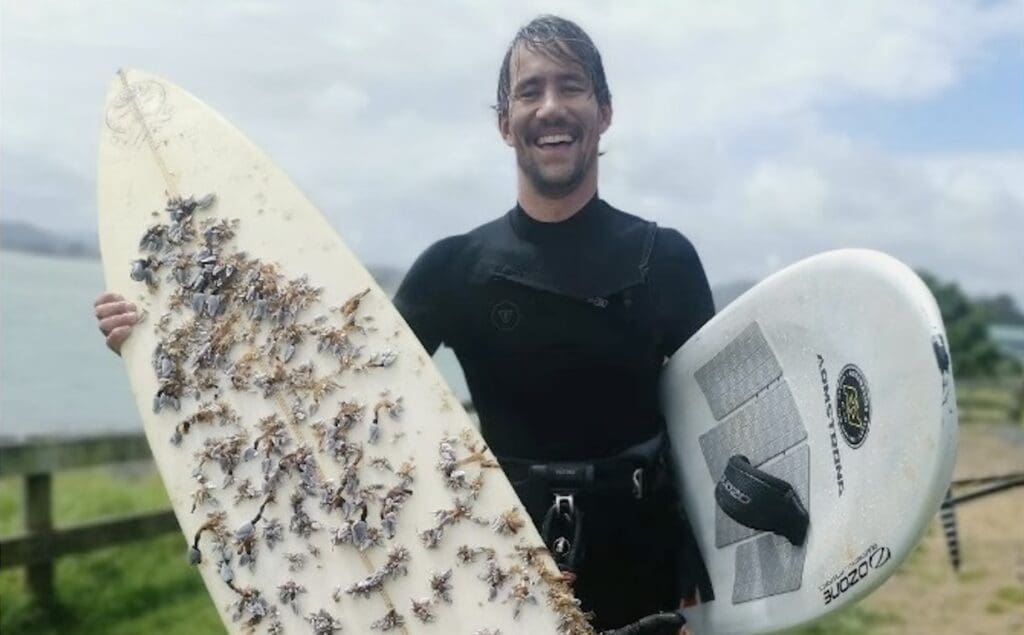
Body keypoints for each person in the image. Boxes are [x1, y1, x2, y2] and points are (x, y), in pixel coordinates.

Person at [95, 15, 714, 633]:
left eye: (572, 86)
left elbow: (721, 426)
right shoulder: (456, 268)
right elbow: (332, 391)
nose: (550, 106)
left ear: (604, 111)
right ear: (504, 123)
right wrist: (166, 337)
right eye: (530, 91)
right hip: (495, 584)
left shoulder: (665, 261)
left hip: (654, 579)